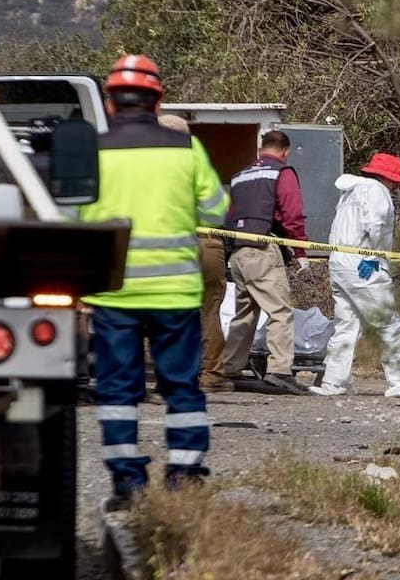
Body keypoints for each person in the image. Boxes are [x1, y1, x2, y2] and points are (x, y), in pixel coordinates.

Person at [77, 55, 230, 510]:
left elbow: (72, 216)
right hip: (175, 293)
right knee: (182, 387)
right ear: (157, 99)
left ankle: (127, 483)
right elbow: (216, 210)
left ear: (109, 101)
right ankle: (184, 476)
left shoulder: (93, 150)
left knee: (118, 393)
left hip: (113, 292)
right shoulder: (185, 149)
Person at [311, 152, 400, 398]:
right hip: (362, 263)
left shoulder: (350, 191)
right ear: (388, 178)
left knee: (346, 324)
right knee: (388, 322)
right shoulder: (377, 191)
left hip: (339, 262)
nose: (395, 187)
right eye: (395, 182)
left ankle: (334, 381)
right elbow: (376, 223)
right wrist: (371, 256)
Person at [219, 129, 312, 395]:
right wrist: (301, 252)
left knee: (245, 314)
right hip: (262, 250)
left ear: (261, 149)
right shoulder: (282, 173)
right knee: (280, 312)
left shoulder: (240, 176)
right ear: (286, 151)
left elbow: (229, 214)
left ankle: (230, 367)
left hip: (238, 252)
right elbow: (291, 214)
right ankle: (280, 371)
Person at [158, 113, 233, 393]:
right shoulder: (199, 165)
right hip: (208, 242)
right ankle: (212, 375)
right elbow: (218, 207)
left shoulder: (151, 166)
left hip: (171, 244)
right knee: (209, 311)